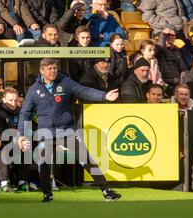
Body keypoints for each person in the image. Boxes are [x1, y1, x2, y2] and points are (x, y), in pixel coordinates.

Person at [17, 58, 121, 202]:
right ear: (42, 70)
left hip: (66, 131)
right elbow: (25, 113)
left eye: (55, 68)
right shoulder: (34, 89)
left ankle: (106, 191)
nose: (53, 71)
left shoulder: (65, 82)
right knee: (44, 162)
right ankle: (47, 194)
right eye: (50, 68)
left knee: (86, 159)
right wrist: (22, 135)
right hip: (46, 133)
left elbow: (83, 91)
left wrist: (104, 96)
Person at [0, 87, 30, 192]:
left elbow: (30, 126)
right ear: (4, 99)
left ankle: (22, 182)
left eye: (15, 100)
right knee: (4, 149)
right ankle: (4, 183)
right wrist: (17, 140)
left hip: (18, 141)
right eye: (10, 100)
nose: (13, 103)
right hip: (2, 142)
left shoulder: (21, 112)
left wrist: (24, 139)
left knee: (27, 146)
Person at [156, 27, 187, 96]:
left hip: (177, 83)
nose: (170, 37)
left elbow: (182, 67)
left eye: (172, 35)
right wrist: (163, 34)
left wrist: (181, 81)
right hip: (165, 83)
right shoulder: (159, 50)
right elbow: (160, 48)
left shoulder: (177, 50)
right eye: (168, 35)